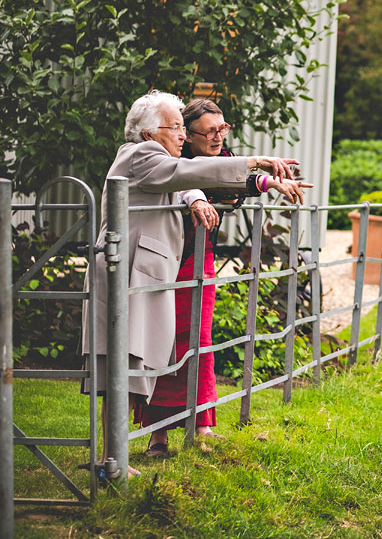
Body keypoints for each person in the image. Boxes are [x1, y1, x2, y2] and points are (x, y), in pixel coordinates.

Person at [82, 90, 310, 477]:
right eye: (176, 128)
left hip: (139, 274)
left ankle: (111, 458)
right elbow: (188, 172)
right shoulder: (139, 155)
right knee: (118, 369)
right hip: (127, 274)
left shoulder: (157, 159)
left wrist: (255, 181)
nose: (183, 137)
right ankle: (110, 460)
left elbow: (186, 179)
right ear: (151, 132)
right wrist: (257, 162)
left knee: (129, 370)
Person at [135, 98, 304, 455]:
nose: (217, 137)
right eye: (209, 131)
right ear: (188, 135)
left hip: (201, 258)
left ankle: (202, 425)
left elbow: (232, 178)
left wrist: (270, 181)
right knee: (164, 344)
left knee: (202, 341)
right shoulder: (172, 162)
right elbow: (197, 177)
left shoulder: (221, 158)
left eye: (222, 129)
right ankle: (158, 434)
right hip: (170, 262)